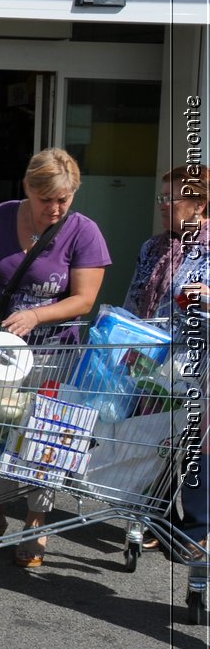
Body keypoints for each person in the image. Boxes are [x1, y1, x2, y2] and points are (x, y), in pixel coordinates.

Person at [0, 147, 111, 565]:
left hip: (54, 352)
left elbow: (84, 300)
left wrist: (36, 314)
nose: (55, 208)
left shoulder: (83, 231)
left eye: (64, 199)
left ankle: (37, 523)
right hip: (2, 351)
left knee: (43, 437)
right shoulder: (3, 215)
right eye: (46, 199)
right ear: (28, 190)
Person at [121, 165, 209, 550]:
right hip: (151, 359)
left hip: (197, 362)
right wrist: (121, 341)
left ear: (199, 205)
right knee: (153, 438)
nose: (162, 206)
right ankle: (153, 518)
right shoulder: (153, 247)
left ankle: (195, 531)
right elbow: (134, 296)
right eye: (162, 197)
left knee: (190, 444)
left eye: (171, 199)